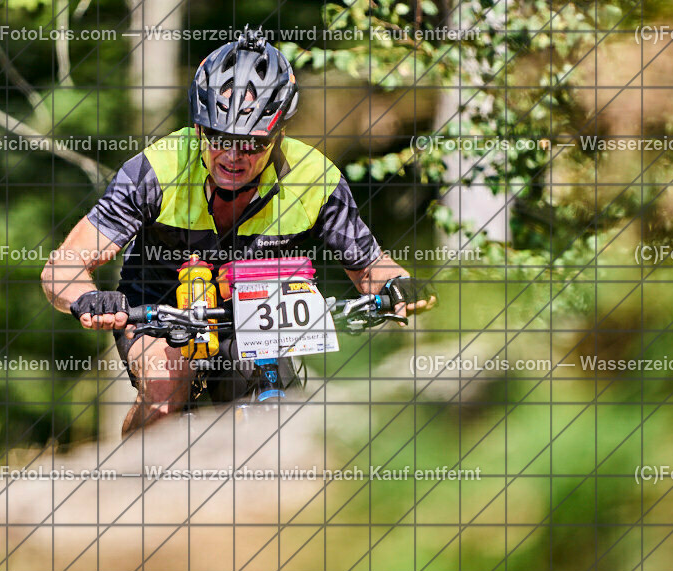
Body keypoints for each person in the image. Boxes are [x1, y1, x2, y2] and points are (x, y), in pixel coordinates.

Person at [42, 27, 436, 435]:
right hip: (160, 312)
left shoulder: (314, 178)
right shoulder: (156, 169)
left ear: (279, 134)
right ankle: (130, 473)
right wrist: (88, 298)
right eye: (218, 137)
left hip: (257, 316)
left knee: (283, 409)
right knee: (166, 392)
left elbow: (370, 267)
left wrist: (399, 285)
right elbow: (63, 266)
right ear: (198, 129)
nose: (232, 155)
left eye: (251, 143)